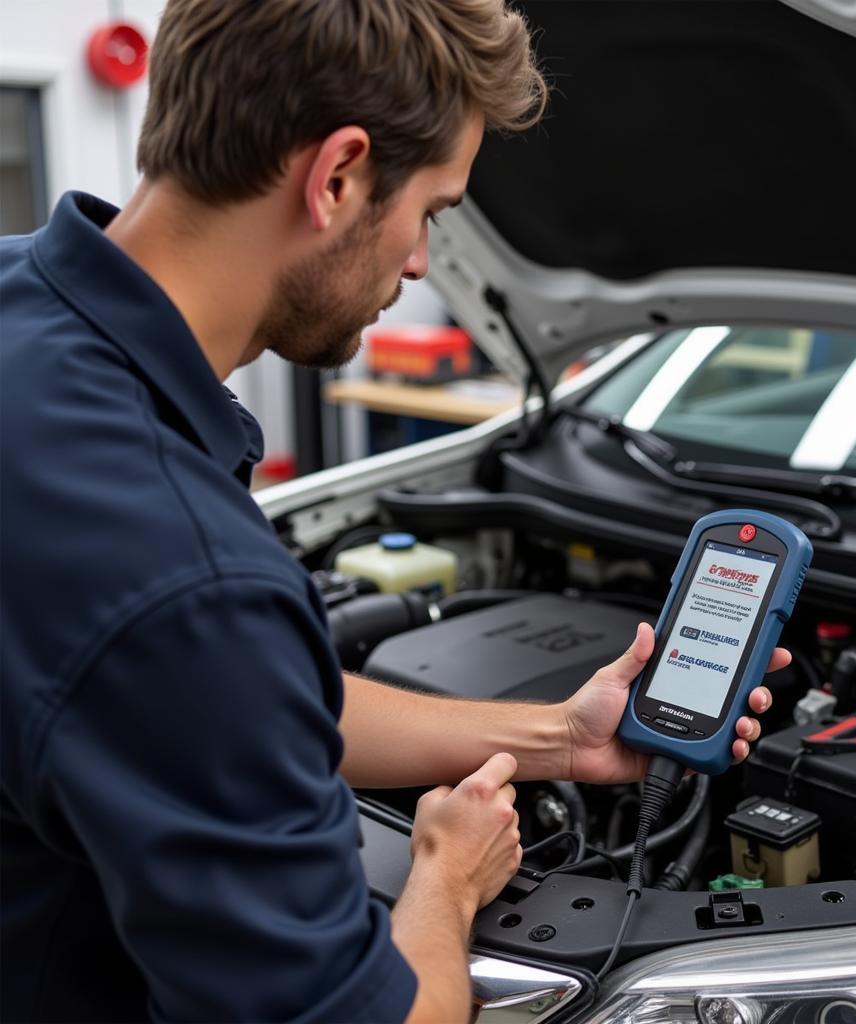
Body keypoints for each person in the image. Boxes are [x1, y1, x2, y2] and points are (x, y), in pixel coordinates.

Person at [0, 1, 788, 1021]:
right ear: (336, 176)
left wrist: (559, 735)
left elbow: (232, 702)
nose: (420, 261)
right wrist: (448, 879)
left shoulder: (21, 306)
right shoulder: (186, 579)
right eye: (434, 208)